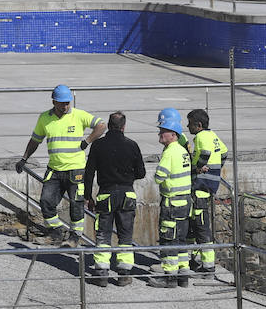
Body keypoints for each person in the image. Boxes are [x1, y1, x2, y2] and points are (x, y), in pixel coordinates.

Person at [16, 84, 105, 241]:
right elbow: (35, 140)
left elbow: (101, 125)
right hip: (55, 169)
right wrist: (24, 158)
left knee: (76, 204)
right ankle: (56, 230)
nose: (65, 106)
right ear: (53, 102)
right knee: (46, 201)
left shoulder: (78, 115)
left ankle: (74, 237)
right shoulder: (44, 118)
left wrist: (88, 141)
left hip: (76, 170)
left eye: (67, 103)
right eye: (62, 103)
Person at [83, 111, 145, 287]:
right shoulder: (132, 145)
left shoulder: (97, 145)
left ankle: (102, 274)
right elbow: (141, 173)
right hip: (127, 194)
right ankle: (124, 274)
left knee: (103, 235)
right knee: (125, 235)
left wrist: (88, 196)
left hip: (105, 195)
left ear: (109, 126)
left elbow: (88, 173)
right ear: (124, 126)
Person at [150, 108, 192, 288]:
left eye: (163, 130)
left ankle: (170, 278)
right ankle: (183, 276)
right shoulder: (182, 150)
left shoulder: (169, 152)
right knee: (181, 239)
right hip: (185, 202)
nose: (159, 133)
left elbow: (159, 177)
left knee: (169, 238)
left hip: (172, 203)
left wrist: (158, 174)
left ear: (173, 134)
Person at [185, 108, 229, 277]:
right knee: (197, 225)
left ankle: (208, 266)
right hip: (210, 184)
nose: (187, 126)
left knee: (201, 227)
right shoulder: (213, 135)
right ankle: (197, 260)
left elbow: (205, 153)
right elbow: (224, 153)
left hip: (201, 187)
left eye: (190, 123)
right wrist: (215, 170)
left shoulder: (201, 137)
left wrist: (197, 168)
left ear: (199, 125)